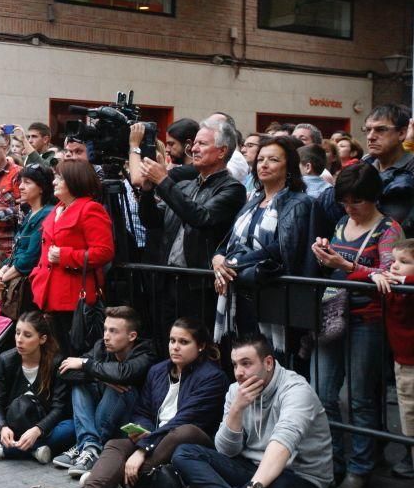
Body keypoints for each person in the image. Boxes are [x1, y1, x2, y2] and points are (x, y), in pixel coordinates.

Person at [39, 318, 228, 488]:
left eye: (183, 342)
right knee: (116, 444)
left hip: (189, 443)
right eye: (172, 341)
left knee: (183, 431)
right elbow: (143, 411)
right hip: (155, 438)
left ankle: (111, 478)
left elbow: (186, 419)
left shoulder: (212, 377)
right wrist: (143, 433)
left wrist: (143, 449)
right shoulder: (158, 371)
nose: (175, 347)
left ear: (201, 346)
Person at [172, 335, 333, 488]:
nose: (239, 373)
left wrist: (256, 486)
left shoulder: (296, 391)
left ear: (268, 363)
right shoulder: (235, 391)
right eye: (235, 365)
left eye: (246, 364)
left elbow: (283, 442)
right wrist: (236, 410)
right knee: (184, 453)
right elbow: (225, 451)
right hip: (251, 468)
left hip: (299, 478)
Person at [311, 163, 403, 488]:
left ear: (373, 197)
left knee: (362, 398)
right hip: (333, 312)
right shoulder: (340, 222)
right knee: (322, 393)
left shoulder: (389, 229)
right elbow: (348, 269)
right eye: (345, 202)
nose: (350, 208)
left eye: (357, 202)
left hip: (368, 320)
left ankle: (360, 467)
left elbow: (391, 275)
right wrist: (326, 257)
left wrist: (345, 265)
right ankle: (333, 461)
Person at [138, 118, 247, 332]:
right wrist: (148, 191)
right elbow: (152, 221)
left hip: (199, 285)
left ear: (222, 151)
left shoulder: (232, 188)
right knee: (165, 342)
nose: (194, 149)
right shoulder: (185, 186)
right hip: (168, 280)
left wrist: (164, 181)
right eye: (194, 144)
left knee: (196, 344)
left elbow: (201, 217)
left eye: (202, 144)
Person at [212, 136, 314, 353]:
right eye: (260, 160)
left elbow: (284, 247)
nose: (264, 165)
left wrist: (234, 262)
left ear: (289, 167)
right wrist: (218, 259)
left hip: (273, 295)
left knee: (272, 360)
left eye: (273, 160)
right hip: (240, 294)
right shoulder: (252, 202)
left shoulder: (300, 202)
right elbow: (229, 241)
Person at [52, 306, 157, 476]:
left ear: (132, 336)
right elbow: (64, 371)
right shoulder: (101, 347)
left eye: (114, 331)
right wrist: (100, 378)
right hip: (105, 415)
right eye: (105, 329)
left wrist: (87, 365)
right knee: (81, 386)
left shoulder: (146, 352)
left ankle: (87, 447)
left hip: (129, 425)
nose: (106, 336)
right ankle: (89, 446)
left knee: (119, 389)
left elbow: (124, 374)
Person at [0, 312, 75, 463]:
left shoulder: (56, 362)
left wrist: (37, 430)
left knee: (70, 428)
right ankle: (35, 451)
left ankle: (1, 450)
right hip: (12, 423)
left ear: (42, 339)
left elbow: (58, 408)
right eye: (17, 333)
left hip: (41, 427)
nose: (19, 339)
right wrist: (2, 427)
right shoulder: (5, 360)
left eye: (27, 335)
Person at [30, 160, 115, 356]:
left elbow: (104, 252)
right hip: (49, 293)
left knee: (73, 355)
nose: (54, 182)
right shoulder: (58, 208)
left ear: (73, 180)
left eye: (59, 178)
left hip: (74, 298)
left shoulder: (90, 209)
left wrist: (66, 255)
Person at [373, 239, 414, 488]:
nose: (395, 266)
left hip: (410, 363)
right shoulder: (393, 287)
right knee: (410, 426)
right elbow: (353, 273)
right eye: (394, 260)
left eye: (404, 261)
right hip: (403, 363)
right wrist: (375, 273)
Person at [0, 163, 55, 316]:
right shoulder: (30, 214)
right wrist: (1, 271)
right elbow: (17, 250)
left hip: (30, 287)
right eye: (21, 182)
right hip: (16, 279)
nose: (21, 187)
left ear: (41, 187)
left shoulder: (47, 214)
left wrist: (3, 279)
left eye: (27, 182)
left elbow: (31, 256)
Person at [361, 104, 414, 235]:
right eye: (368, 130)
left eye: (380, 130)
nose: (370, 136)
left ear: (402, 133)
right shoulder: (363, 167)